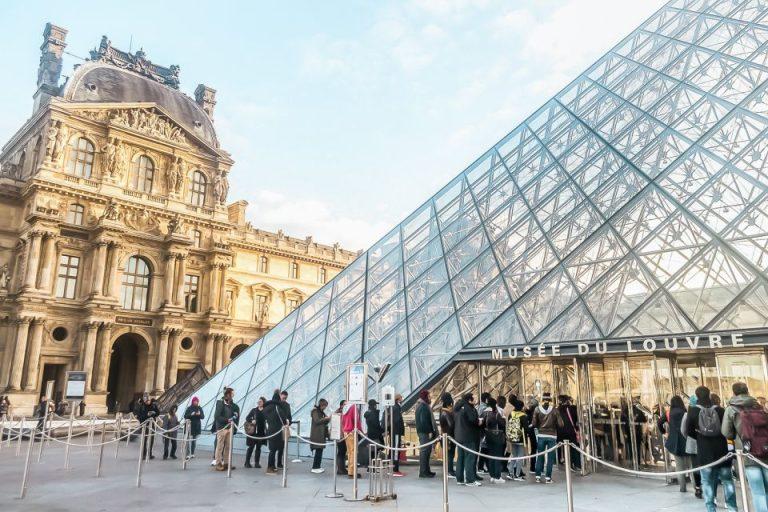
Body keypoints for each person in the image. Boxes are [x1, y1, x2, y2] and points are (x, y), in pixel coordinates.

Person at [684, 386, 736, 512]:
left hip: (704, 452)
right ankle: (732, 508)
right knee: (727, 481)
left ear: (697, 396)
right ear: (709, 395)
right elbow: (727, 430)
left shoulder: (693, 411)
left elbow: (688, 431)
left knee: (707, 482)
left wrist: (700, 436)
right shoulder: (720, 410)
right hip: (723, 452)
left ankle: (711, 508)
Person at [722, 382, 768, 512]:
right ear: (747, 391)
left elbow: (726, 432)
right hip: (765, 450)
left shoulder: (731, 409)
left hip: (747, 453)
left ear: (734, 393)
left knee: (758, 491)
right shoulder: (759, 405)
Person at [658, 396, 691, 492]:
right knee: (691, 465)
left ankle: (682, 487)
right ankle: (695, 487)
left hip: (675, 442)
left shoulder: (668, 413)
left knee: (679, 466)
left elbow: (659, 422)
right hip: (686, 441)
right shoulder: (685, 412)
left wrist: (664, 432)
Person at [532, 392, 564, 483]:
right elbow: (561, 424)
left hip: (541, 435)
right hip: (552, 436)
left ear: (542, 400)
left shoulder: (537, 409)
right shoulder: (555, 410)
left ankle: (538, 476)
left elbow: (534, 423)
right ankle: (548, 478)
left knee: (540, 455)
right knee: (550, 458)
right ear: (550, 400)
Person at [454, 392, 482, 486]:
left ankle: (460, 479)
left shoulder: (458, 408)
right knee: (470, 457)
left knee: (460, 458)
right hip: (468, 436)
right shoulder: (468, 408)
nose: (475, 400)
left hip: (459, 436)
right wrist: (479, 421)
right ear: (469, 400)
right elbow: (472, 419)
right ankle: (470, 480)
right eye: (474, 398)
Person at [680, 395, 703, 498]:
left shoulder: (687, 414)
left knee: (695, 466)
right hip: (705, 443)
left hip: (692, 444)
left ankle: (698, 487)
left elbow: (683, 430)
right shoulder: (704, 411)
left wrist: (688, 438)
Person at [213, 387, 240, 471]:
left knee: (228, 446)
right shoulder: (220, 403)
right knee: (220, 446)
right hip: (221, 428)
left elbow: (232, 415)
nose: (233, 395)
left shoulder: (231, 404)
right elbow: (217, 416)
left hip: (229, 428)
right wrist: (227, 420)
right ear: (228, 394)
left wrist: (234, 415)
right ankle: (218, 463)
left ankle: (226, 463)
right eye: (232, 394)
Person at [482, 397, 506, 484]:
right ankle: (497, 476)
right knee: (497, 457)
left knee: (491, 457)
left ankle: (492, 476)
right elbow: (502, 424)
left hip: (488, 436)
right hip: (497, 437)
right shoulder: (496, 413)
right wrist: (503, 418)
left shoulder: (485, 413)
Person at [415, 389, 438, 478]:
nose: (430, 397)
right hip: (424, 432)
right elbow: (424, 421)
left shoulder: (421, 405)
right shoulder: (423, 406)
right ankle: (423, 472)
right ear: (425, 397)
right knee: (424, 451)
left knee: (426, 451)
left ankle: (426, 470)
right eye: (429, 396)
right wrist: (429, 431)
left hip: (423, 432)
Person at [263, 391, 287, 474]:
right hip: (277, 431)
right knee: (274, 450)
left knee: (272, 449)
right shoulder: (277, 407)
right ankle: (270, 468)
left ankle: (272, 466)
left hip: (269, 430)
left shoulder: (266, 408)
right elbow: (283, 419)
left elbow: (264, 417)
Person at [506, 398, 529, 481]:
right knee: (520, 457)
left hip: (512, 438)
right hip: (521, 439)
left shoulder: (511, 414)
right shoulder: (523, 416)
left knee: (514, 455)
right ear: (521, 407)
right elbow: (526, 429)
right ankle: (518, 474)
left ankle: (510, 473)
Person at [384, 394, 406, 477]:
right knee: (396, 450)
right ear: (398, 399)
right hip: (396, 432)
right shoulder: (397, 407)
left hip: (393, 432)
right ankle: (395, 469)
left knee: (392, 449)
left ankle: (391, 468)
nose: (402, 399)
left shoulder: (392, 407)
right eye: (401, 397)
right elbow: (397, 420)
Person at [557, 395, 581, 470]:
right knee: (574, 447)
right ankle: (576, 464)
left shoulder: (557, 410)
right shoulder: (572, 408)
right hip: (571, 431)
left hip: (560, 432)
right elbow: (576, 419)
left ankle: (565, 461)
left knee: (563, 447)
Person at [341, 399, 362, 478]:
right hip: (352, 432)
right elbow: (357, 421)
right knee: (354, 452)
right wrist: (361, 431)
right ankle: (352, 472)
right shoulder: (354, 407)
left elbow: (343, 421)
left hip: (346, 432)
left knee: (350, 452)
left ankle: (350, 470)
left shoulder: (345, 407)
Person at [244, 397, 266, 468]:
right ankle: (247, 462)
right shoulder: (254, 410)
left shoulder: (266, 411)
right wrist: (252, 420)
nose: (259, 403)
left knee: (258, 448)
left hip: (261, 432)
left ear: (263, 402)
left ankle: (257, 463)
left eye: (260, 401)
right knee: (251, 447)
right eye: (258, 401)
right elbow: (247, 418)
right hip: (253, 432)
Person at [310, 398, 331, 473]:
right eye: (325, 406)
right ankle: (315, 467)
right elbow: (317, 421)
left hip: (320, 434)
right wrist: (326, 418)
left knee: (320, 450)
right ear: (321, 405)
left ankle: (317, 466)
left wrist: (327, 418)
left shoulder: (321, 412)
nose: (325, 407)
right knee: (318, 450)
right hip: (317, 434)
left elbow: (323, 421)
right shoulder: (315, 411)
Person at [136, 393, 159, 460]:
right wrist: (147, 415)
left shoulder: (154, 405)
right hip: (145, 425)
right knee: (144, 440)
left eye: (148, 400)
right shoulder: (141, 406)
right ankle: (144, 454)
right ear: (144, 400)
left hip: (152, 424)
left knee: (151, 440)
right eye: (146, 401)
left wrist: (154, 413)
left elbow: (158, 412)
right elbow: (139, 417)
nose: (148, 402)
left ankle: (150, 454)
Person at [439, 392, 456, 479]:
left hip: (445, 435)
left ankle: (449, 469)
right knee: (450, 454)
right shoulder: (446, 413)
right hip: (448, 436)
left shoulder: (442, 411)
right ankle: (450, 471)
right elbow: (451, 425)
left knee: (449, 454)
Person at [476, 392, 491, 474]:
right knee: (484, 448)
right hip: (483, 430)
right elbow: (481, 419)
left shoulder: (480, 406)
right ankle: (481, 467)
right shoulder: (484, 408)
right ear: (486, 399)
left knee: (484, 448)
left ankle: (482, 466)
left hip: (482, 430)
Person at [277, 390, 292, 469]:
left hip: (284, 427)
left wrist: (289, 422)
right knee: (276, 446)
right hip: (277, 428)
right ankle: (276, 464)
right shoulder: (277, 404)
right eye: (283, 397)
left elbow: (289, 416)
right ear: (280, 395)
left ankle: (279, 463)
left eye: (285, 398)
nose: (284, 399)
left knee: (282, 446)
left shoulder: (287, 405)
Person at [525, 396, 539, 473]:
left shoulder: (527, 412)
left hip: (530, 431)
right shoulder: (537, 412)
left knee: (533, 449)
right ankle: (537, 467)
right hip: (536, 431)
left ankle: (532, 467)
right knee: (538, 449)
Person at [335, 400, 348, 475]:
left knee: (342, 452)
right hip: (340, 436)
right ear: (341, 405)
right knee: (341, 452)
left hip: (342, 435)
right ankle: (340, 469)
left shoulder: (340, 413)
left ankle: (342, 468)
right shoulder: (339, 414)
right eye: (344, 404)